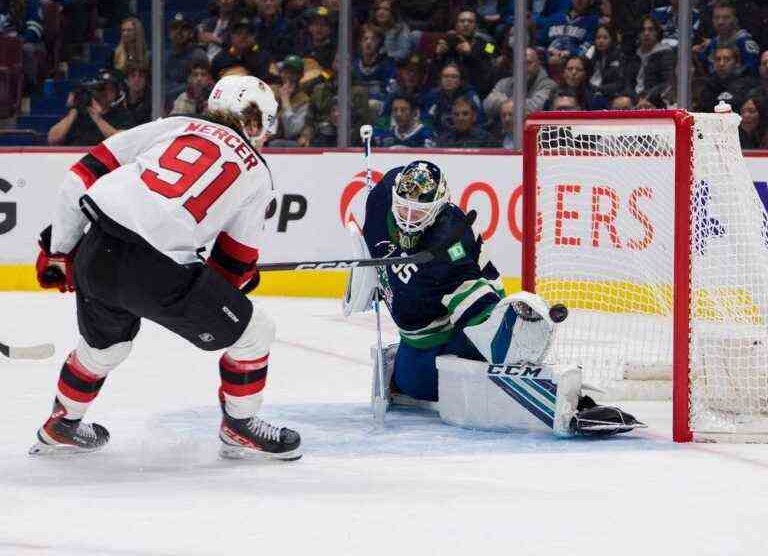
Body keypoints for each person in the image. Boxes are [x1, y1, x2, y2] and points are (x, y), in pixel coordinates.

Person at [31, 75, 302, 461]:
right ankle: (240, 426)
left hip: (98, 248)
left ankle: (62, 422)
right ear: (256, 123)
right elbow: (232, 265)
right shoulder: (256, 172)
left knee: (104, 347)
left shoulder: (176, 125)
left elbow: (80, 175)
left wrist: (60, 250)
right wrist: (236, 284)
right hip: (158, 274)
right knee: (256, 332)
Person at [347, 159, 644, 436]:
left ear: (439, 207)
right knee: (414, 380)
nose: (409, 220)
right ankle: (402, 361)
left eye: (420, 212)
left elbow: (471, 301)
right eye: (404, 209)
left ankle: (520, 338)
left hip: (461, 319)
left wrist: (498, 330)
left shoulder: (450, 244)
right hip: (417, 342)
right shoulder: (381, 198)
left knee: (490, 342)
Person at [47, 69, 133, 146]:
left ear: (116, 92)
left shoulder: (121, 115)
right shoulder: (78, 114)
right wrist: (75, 110)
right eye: (101, 88)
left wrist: (97, 118)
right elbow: (52, 139)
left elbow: (122, 142)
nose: (105, 92)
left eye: (110, 88)